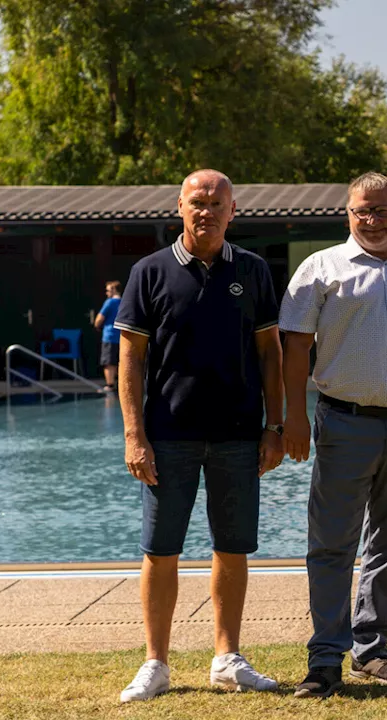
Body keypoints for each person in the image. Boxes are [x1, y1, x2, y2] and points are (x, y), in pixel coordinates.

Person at [114, 169, 284, 703]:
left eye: (216, 202)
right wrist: (134, 435)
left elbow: (270, 355)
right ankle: (155, 664)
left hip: (238, 435)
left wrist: (274, 427)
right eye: (197, 202)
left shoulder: (253, 271)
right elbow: (131, 360)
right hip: (168, 437)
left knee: (232, 549)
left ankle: (226, 658)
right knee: (160, 550)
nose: (206, 210)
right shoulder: (149, 272)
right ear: (179, 207)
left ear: (234, 210)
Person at [279, 172, 387, 699]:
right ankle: (325, 658)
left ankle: (371, 650)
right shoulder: (320, 269)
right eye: (362, 211)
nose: (372, 220)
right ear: (347, 214)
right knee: (332, 545)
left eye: (382, 210)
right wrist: (293, 417)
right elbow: (294, 347)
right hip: (343, 421)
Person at [94, 280, 122, 392]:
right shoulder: (125, 301)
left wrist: (97, 326)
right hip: (122, 336)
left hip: (110, 336)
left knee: (109, 362)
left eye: (108, 290)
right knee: (120, 361)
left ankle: (110, 385)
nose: (106, 293)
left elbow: (99, 318)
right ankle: (121, 384)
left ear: (114, 290)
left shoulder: (109, 302)